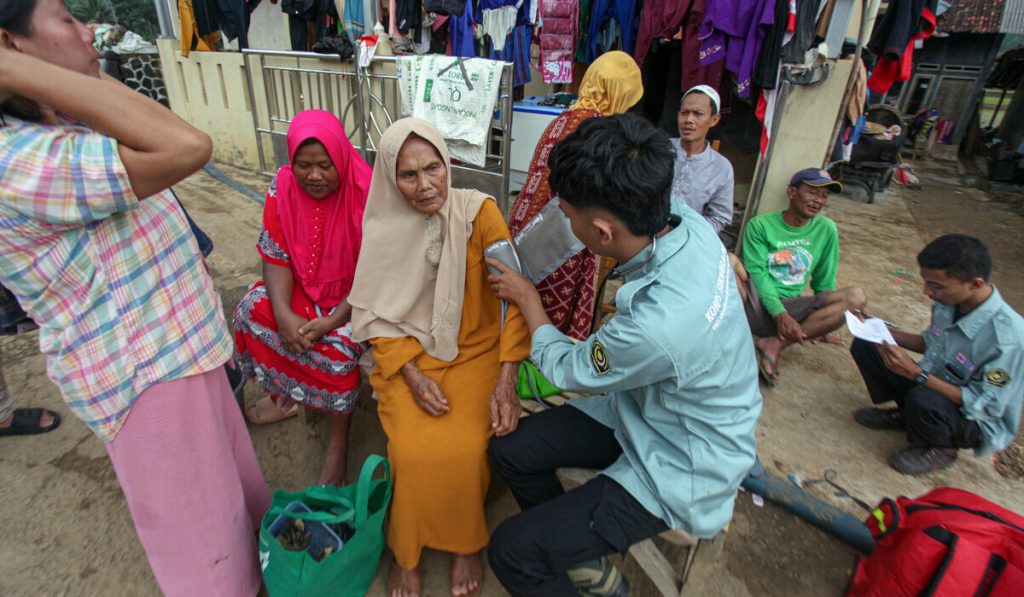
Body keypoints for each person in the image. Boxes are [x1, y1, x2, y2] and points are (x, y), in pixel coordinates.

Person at [0, 2, 270, 595]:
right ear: (10, 45)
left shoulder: (63, 127)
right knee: (210, 560)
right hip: (150, 382)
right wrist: (16, 73)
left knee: (237, 513)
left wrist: (66, 83)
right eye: (66, 18)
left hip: (181, 354)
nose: (88, 28)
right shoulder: (16, 160)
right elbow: (187, 145)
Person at [486, 113, 762, 596]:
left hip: (684, 459)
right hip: (647, 408)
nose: (564, 222)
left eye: (567, 215)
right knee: (510, 449)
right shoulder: (685, 221)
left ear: (602, 232)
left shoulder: (656, 327)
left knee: (511, 551)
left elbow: (569, 369)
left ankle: (561, 560)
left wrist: (530, 300)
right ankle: (576, 554)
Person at [349, 118, 530, 597]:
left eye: (434, 168)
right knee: (408, 449)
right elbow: (374, 314)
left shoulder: (480, 213)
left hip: (477, 353)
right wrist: (409, 372)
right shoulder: (383, 228)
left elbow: (516, 301)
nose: (426, 184)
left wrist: (507, 380)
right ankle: (406, 550)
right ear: (390, 178)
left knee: (466, 447)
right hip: (408, 357)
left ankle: (466, 542)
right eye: (408, 175)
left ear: (448, 164)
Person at [233, 109, 371, 486]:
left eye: (325, 165)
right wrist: (282, 313)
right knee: (249, 313)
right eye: (304, 165)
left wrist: (332, 320)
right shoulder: (282, 186)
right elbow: (275, 253)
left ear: (341, 158)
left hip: (356, 301)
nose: (314, 176)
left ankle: (338, 442)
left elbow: (376, 274)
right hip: (302, 290)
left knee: (337, 352)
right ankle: (289, 396)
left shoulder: (366, 191)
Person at [851, 235, 1024, 475]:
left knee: (923, 397)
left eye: (936, 285)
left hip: (975, 418)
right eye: (926, 282)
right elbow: (930, 344)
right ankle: (908, 415)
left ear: (975, 284)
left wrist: (917, 375)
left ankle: (942, 447)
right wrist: (879, 330)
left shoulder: (1008, 339)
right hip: (933, 386)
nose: (927, 291)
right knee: (867, 344)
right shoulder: (948, 303)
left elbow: (986, 405)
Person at [506, 50, 642, 340]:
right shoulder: (598, 131)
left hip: (526, 224)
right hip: (560, 235)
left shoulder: (564, 117)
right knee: (549, 310)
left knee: (520, 297)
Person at [742, 167, 868, 385]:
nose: (818, 200)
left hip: (794, 309)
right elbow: (758, 276)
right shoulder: (760, 225)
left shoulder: (826, 229)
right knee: (734, 273)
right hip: (756, 306)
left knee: (856, 299)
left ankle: (775, 344)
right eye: (812, 192)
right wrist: (781, 315)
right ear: (792, 193)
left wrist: (825, 322)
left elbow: (824, 279)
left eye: (824, 195)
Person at [670, 84, 734, 233]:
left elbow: (718, 217)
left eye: (698, 114)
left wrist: (687, 236)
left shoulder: (722, 168)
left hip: (687, 242)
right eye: (684, 113)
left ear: (714, 120)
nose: (689, 120)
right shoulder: (658, 149)